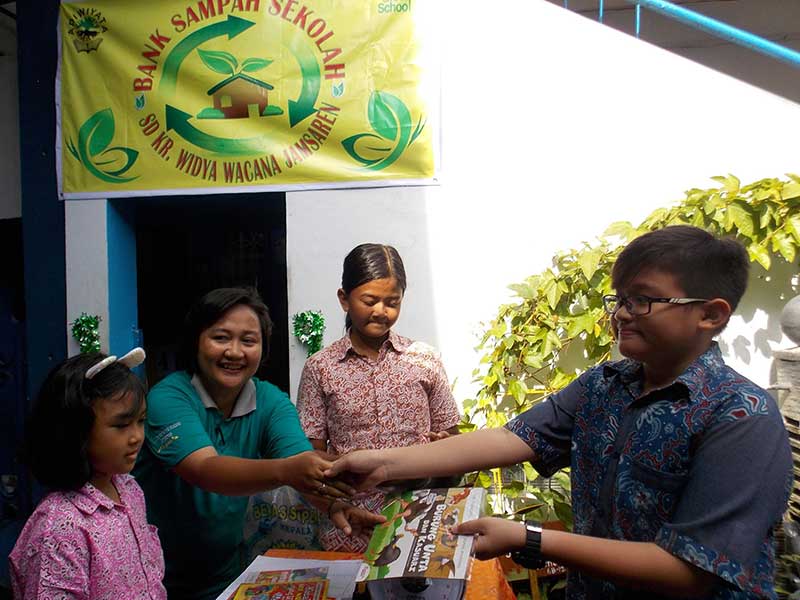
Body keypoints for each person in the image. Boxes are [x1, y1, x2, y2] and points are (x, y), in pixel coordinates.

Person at [327, 226, 793, 599]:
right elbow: (509, 439)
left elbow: (690, 572)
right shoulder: (603, 386)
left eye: (643, 300)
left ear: (710, 315)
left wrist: (528, 538)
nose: (622, 314)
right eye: (620, 299)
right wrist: (382, 463)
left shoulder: (742, 417)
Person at [133, 287, 382, 600]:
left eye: (248, 341)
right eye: (221, 337)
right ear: (196, 342)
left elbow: (303, 464)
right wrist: (286, 471)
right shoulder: (168, 397)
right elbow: (205, 470)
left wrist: (336, 503)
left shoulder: (271, 401)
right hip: (150, 579)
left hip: (224, 578)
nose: (235, 352)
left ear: (263, 350)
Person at [297, 243, 461, 552]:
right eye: (369, 300)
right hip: (351, 525)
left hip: (421, 522)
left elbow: (453, 440)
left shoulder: (424, 359)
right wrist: (334, 504)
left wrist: (444, 450)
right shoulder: (321, 367)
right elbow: (312, 459)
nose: (381, 312)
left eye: (392, 302)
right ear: (344, 299)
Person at [10, 350, 166, 599]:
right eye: (121, 425)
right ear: (76, 431)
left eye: (141, 421)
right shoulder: (59, 530)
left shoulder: (129, 489)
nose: (137, 436)